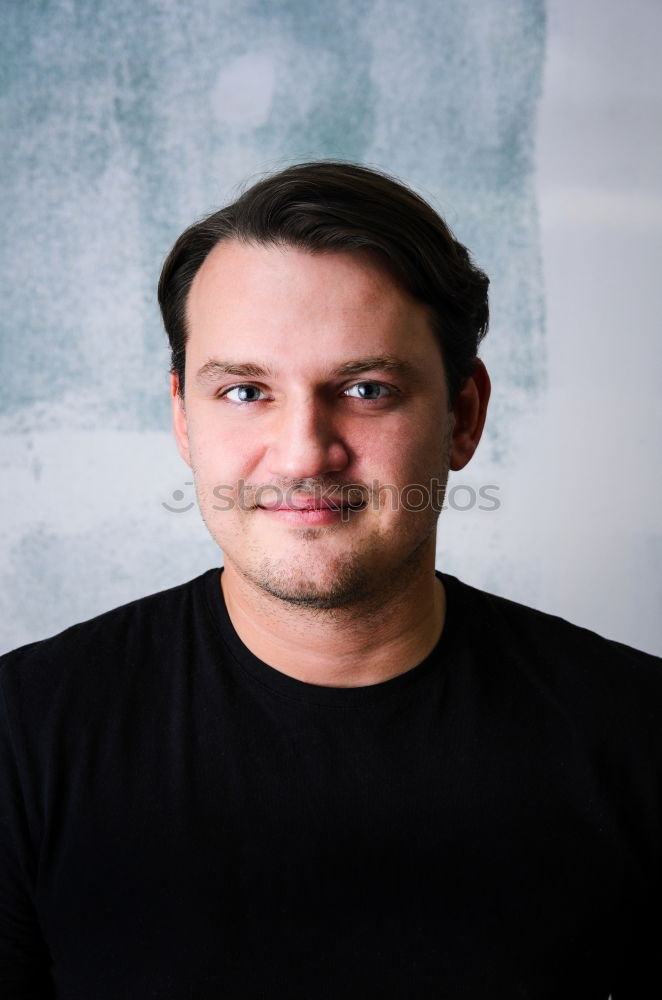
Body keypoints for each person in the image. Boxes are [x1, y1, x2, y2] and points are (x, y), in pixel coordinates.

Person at [0, 161, 659, 999]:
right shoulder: (23, 735)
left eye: (365, 389)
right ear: (181, 418)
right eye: (245, 391)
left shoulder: (638, 734)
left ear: (463, 416)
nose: (306, 451)